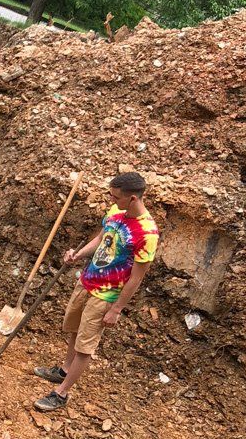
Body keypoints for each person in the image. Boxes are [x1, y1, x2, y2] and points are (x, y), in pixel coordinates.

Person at [33, 171, 159, 413]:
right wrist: (78, 255)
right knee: (74, 329)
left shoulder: (147, 233)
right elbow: (101, 239)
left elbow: (137, 277)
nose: (112, 200)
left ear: (133, 198)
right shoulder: (116, 213)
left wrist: (116, 309)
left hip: (106, 296)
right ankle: (64, 370)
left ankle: (62, 393)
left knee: (85, 346)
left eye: (116, 197)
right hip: (87, 282)